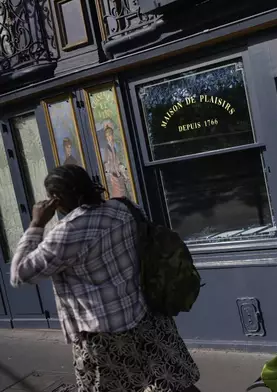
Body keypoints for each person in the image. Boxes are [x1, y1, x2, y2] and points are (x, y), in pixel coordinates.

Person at [10, 164, 201, 392]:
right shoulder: (124, 208)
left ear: (56, 199)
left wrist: (36, 224)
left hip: (104, 336)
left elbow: (19, 274)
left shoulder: (67, 233)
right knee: (174, 383)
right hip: (146, 317)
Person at [102, 122, 129, 198]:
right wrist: (108, 170)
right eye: (107, 136)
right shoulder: (106, 148)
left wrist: (121, 166)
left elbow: (117, 158)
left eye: (110, 135)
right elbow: (106, 161)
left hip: (118, 172)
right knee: (118, 194)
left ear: (112, 135)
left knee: (124, 192)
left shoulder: (115, 146)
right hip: (113, 174)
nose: (109, 137)